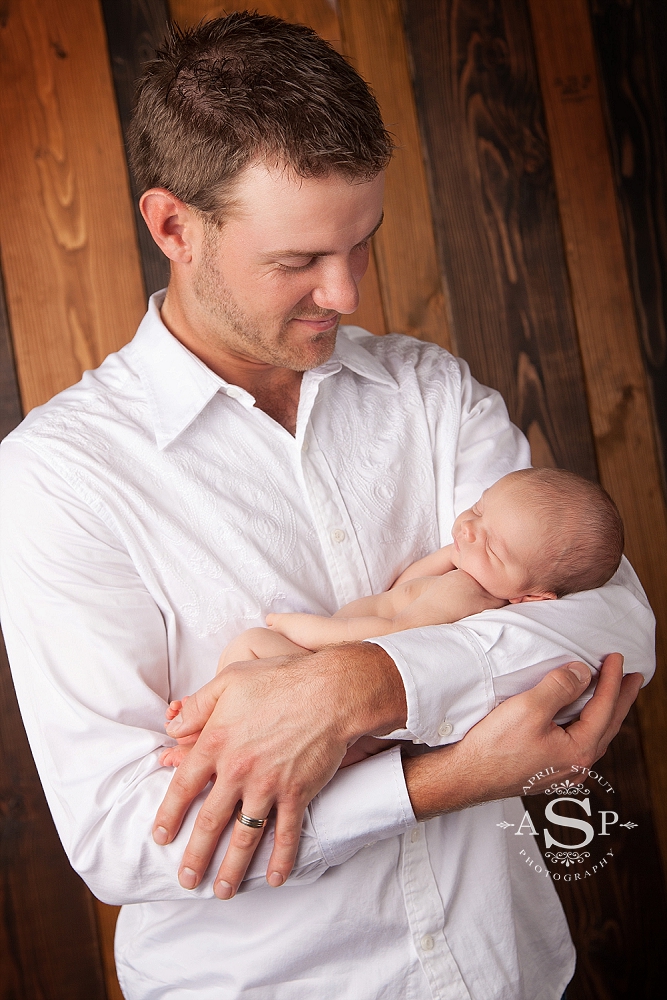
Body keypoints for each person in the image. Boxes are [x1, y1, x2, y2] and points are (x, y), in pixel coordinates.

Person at [0, 14, 652, 1000]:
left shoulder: (428, 396)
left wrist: (359, 683)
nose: (345, 292)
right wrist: (440, 775)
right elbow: (129, 837)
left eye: (362, 242)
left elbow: (612, 626)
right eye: (297, 259)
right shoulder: (58, 476)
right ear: (173, 226)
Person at [161, 467, 625, 769]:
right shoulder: (467, 570)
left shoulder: (468, 598)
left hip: (337, 662)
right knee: (258, 682)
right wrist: (457, 553)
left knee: (252, 646)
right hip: (341, 680)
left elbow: (388, 634)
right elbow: (405, 585)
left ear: (530, 597)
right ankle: (211, 746)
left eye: (492, 545)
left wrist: (300, 628)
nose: (467, 528)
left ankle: (204, 743)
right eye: (480, 508)